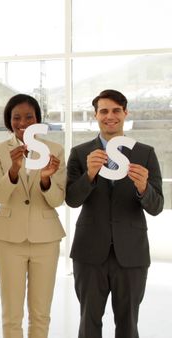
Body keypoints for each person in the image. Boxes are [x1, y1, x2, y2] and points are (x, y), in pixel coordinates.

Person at [66, 89, 163, 338]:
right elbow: (72, 200)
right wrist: (88, 175)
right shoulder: (80, 153)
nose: (110, 116)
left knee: (128, 324)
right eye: (104, 111)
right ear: (96, 115)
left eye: (116, 110)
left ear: (125, 113)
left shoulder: (145, 153)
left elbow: (157, 206)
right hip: (89, 253)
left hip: (131, 253)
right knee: (88, 323)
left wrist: (143, 188)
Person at [0, 94, 66, 338]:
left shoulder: (55, 150)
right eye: (16, 117)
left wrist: (45, 178)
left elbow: (57, 200)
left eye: (29, 116)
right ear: (9, 121)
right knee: (11, 313)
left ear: (38, 119)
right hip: (8, 239)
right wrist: (13, 169)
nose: (23, 122)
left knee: (41, 312)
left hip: (46, 239)